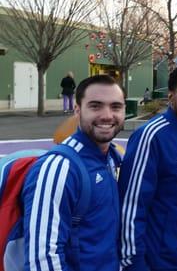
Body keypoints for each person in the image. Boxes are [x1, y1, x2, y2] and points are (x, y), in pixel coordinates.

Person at [22, 74, 125, 271]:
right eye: (95, 106)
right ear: (77, 109)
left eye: (115, 107)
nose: (107, 115)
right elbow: (42, 259)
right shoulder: (58, 167)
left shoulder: (112, 158)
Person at [119, 64, 177, 271]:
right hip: (160, 262)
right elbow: (131, 207)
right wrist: (134, 265)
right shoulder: (151, 136)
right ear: (171, 96)